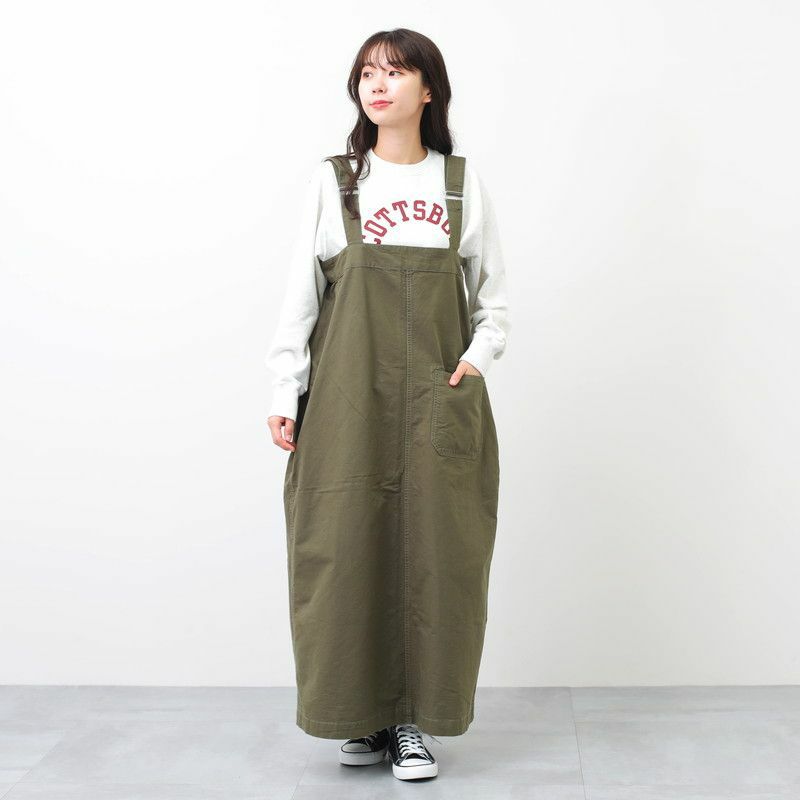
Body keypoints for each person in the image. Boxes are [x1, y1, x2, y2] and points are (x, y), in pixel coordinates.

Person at [265, 28, 511, 782]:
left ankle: (413, 723)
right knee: (344, 549)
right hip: (346, 399)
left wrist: (471, 363)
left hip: (438, 402)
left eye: (396, 72)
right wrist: (284, 388)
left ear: (428, 90)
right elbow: (300, 297)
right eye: (367, 73)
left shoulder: (459, 184)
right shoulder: (336, 181)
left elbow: (494, 305)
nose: (378, 85)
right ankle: (362, 717)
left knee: (439, 558)